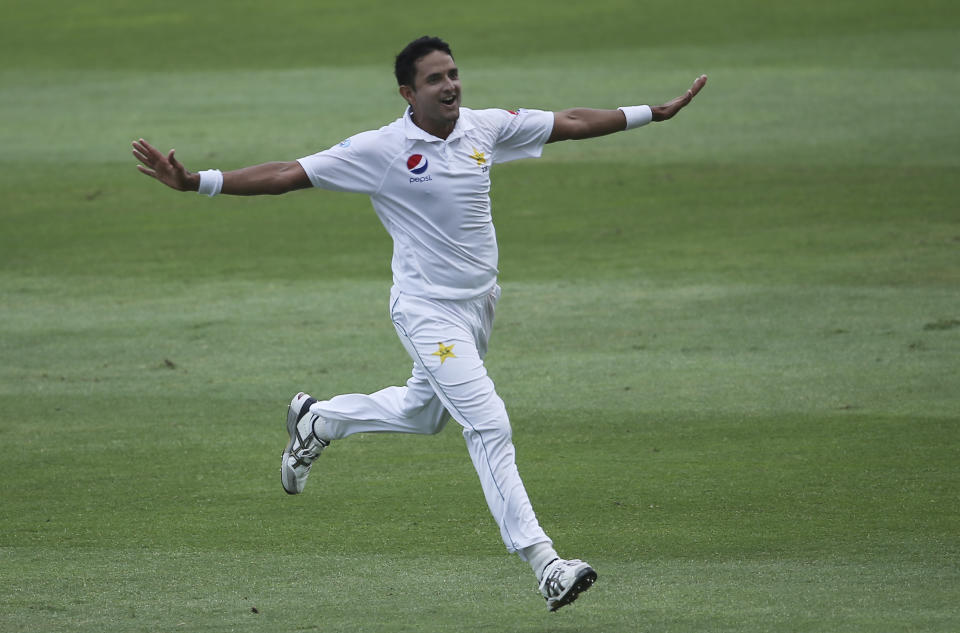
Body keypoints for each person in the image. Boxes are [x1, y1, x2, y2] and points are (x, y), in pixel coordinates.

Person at [132, 35, 706, 612]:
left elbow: (572, 121)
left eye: (453, 73)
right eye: (435, 79)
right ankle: (546, 563)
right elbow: (288, 172)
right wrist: (195, 181)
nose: (450, 85)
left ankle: (321, 420)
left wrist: (650, 114)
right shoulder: (380, 149)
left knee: (424, 412)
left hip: (478, 305)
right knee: (488, 424)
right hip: (427, 312)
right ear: (408, 92)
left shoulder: (485, 127)